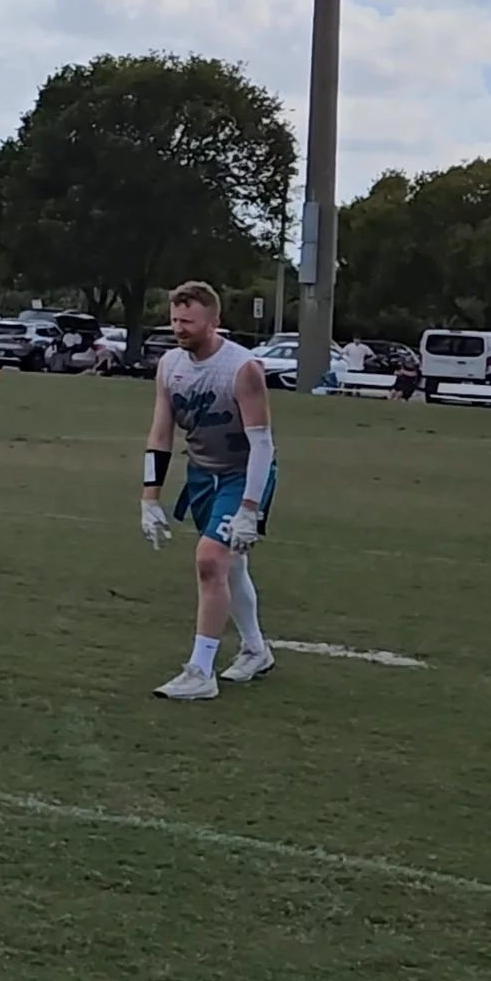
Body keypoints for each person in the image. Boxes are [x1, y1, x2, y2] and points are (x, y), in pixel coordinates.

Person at [142, 279, 278, 701]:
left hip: (242, 475)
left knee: (209, 560)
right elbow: (160, 433)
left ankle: (201, 671)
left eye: (188, 321)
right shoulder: (169, 365)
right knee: (228, 567)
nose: (179, 328)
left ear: (214, 321)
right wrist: (149, 497)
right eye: (175, 320)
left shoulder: (242, 368)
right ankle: (256, 650)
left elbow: (262, 444)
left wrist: (249, 507)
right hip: (202, 475)